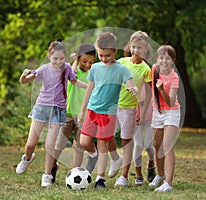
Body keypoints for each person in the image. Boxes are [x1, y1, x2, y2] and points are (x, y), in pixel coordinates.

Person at [15, 40, 87, 187]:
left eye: (61, 58)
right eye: (55, 59)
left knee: (50, 145)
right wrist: (24, 75)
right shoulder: (43, 69)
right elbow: (25, 81)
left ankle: (47, 175)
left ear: (65, 57)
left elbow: (74, 81)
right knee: (30, 144)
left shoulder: (66, 68)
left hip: (58, 110)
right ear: (49, 56)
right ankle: (27, 158)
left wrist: (91, 87)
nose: (58, 62)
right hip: (41, 108)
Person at [78, 32, 138, 189]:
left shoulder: (121, 69)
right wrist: (82, 110)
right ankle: (113, 158)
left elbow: (130, 83)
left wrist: (134, 89)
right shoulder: (96, 68)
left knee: (102, 145)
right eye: (101, 55)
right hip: (92, 109)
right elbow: (89, 89)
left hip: (109, 113)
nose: (104, 58)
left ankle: (100, 179)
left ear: (114, 52)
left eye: (107, 55)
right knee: (85, 141)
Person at [106, 31, 153, 187]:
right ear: (129, 46)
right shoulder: (122, 62)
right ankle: (115, 159)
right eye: (133, 47)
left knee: (127, 142)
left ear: (145, 49)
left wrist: (143, 113)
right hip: (114, 106)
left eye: (139, 47)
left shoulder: (146, 69)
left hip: (130, 110)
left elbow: (149, 93)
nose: (136, 50)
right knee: (106, 135)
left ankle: (124, 177)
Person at [51, 43, 96, 183]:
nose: (88, 64)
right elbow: (73, 76)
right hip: (68, 113)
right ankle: (52, 166)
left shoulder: (92, 74)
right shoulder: (71, 70)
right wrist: (75, 60)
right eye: (84, 61)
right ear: (78, 59)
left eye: (91, 62)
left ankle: (76, 171)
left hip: (84, 115)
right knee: (59, 144)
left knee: (79, 146)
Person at [148, 45, 181, 192]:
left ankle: (168, 183)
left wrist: (162, 89)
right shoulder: (154, 69)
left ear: (173, 61)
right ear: (157, 59)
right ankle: (160, 175)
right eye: (161, 57)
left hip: (172, 112)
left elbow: (171, 102)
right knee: (158, 145)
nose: (164, 61)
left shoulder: (174, 78)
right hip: (157, 112)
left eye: (168, 58)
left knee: (167, 146)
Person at [132, 82, 156, 185]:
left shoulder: (149, 78)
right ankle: (138, 175)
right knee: (138, 145)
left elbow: (152, 97)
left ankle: (151, 163)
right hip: (135, 116)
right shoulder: (130, 78)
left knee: (148, 146)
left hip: (149, 116)